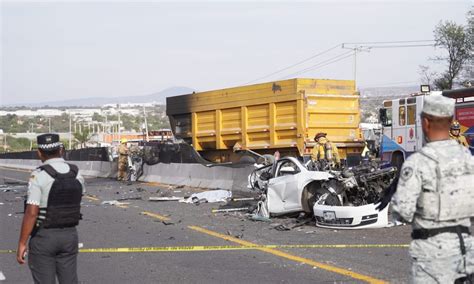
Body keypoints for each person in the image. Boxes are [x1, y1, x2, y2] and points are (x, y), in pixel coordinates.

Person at [391, 95, 473, 283]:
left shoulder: (417, 163)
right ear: (451, 122)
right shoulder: (469, 160)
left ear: (425, 123)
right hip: (466, 253)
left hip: (432, 257)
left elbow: (402, 212)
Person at [17, 133, 85, 283]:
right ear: (61, 150)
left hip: (44, 237)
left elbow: (32, 212)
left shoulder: (38, 175)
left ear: (39, 152)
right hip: (70, 235)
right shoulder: (76, 173)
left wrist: (22, 243)